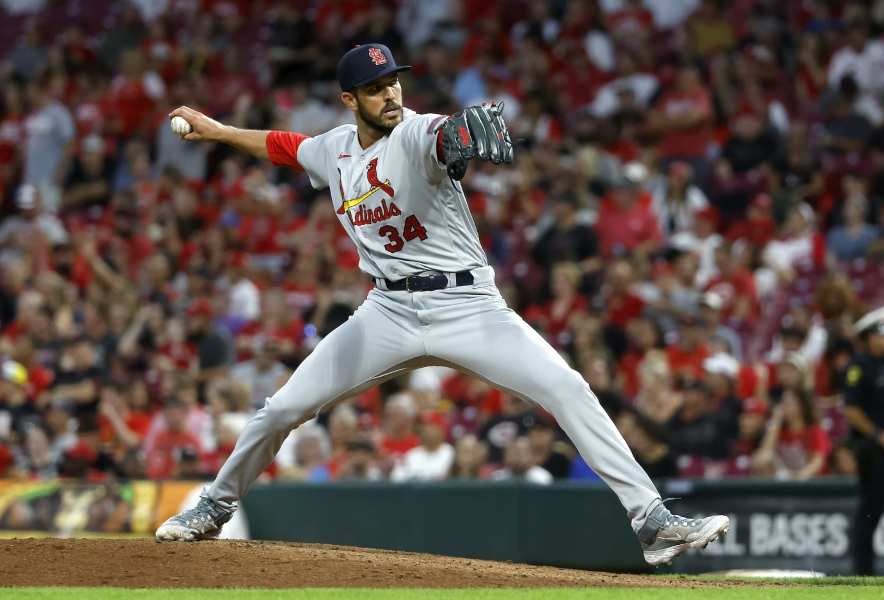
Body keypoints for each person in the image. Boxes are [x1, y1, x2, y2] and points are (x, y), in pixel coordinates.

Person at [155, 43, 728, 566]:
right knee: (280, 410)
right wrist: (218, 130)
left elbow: (443, 138)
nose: (392, 94)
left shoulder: (416, 131)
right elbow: (285, 146)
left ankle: (651, 521)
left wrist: (459, 140)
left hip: (469, 306)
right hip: (387, 313)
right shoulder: (332, 149)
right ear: (349, 100)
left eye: (395, 82)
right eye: (377, 88)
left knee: (566, 387)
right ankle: (214, 507)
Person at [843, 305, 884, 575]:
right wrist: (878, 434)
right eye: (883, 334)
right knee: (870, 511)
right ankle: (862, 572)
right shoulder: (858, 366)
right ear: (869, 337)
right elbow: (851, 410)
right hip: (873, 449)